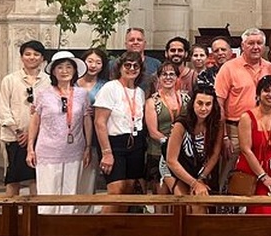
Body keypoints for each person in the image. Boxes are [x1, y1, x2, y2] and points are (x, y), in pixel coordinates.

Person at [26, 51, 91, 214]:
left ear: (75, 71)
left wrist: (88, 146)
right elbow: (35, 121)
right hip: (48, 149)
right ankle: (46, 231)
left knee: (70, 193)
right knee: (48, 194)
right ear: (53, 71)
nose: (64, 71)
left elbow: (87, 120)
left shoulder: (82, 94)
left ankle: (66, 230)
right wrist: (30, 148)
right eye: (60, 67)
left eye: (69, 67)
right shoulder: (43, 93)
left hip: (74, 149)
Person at [215, 28, 271, 192]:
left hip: (261, 127)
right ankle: (223, 208)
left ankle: (252, 211)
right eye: (251, 43)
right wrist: (225, 135)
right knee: (229, 172)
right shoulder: (229, 68)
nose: (255, 47)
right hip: (234, 129)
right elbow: (218, 103)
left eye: (259, 43)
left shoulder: (269, 67)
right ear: (243, 45)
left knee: (258, 169)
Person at [94, 51, 148, 213]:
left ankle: (119, 228)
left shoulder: (140, 92)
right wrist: (106, 152)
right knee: (116, 190)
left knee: (128, 190)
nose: (131, 69)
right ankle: (101, 231)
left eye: (135, 66)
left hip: (135, 143)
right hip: (114, 144)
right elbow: (99, 122)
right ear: (120, 67)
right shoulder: (110, 88)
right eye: (127, 65)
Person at [0, 40, 50, 196]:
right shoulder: (10, 80)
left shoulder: (49, 81)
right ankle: (9, 217)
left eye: (36, 54)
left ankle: (35, 217)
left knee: (36, 178)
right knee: (13, 179)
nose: (31, 57)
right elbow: (3, 109)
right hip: (14, 137)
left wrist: (32, 134)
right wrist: (19, 132)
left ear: (42, 58)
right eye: (27, 54)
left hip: (40, 137)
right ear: (21, 57)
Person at [236, 76, 271, 214]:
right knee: (263, 209)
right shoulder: (246, 117)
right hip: (253, 171)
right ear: (258, 94)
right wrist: (264, 177)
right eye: (266, 91)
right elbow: (246, 150)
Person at [163, 87, 222, 214]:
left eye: (208, 104)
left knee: (199, 204)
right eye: (200, 103)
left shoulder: (216, 124)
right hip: (174, 166)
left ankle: (199, 233)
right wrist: (195, 183)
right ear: (193, 103)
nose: (203, 108)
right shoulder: (181, 124)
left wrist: (201, 178)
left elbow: (215, 155)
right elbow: (171, 160)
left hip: (199, 167)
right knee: (185, 204)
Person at [144, 62, 189, 207]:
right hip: (159, 151)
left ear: (177, 77)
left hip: (183, 153)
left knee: (181, 196)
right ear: (158, 78)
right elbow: (153, 132)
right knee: (161, 198)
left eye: (172, 74)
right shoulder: (152, 101)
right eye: (164, 74)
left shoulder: (186, 99)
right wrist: (171, 142)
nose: (168, 77)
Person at [77, 47, 111, 209]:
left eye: (98, 62)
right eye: (90, 61)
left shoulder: (106, 86)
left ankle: (87, 207)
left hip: (96, 131)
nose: (93, 65)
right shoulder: (73, 83)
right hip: (74, 129)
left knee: (89, 170)